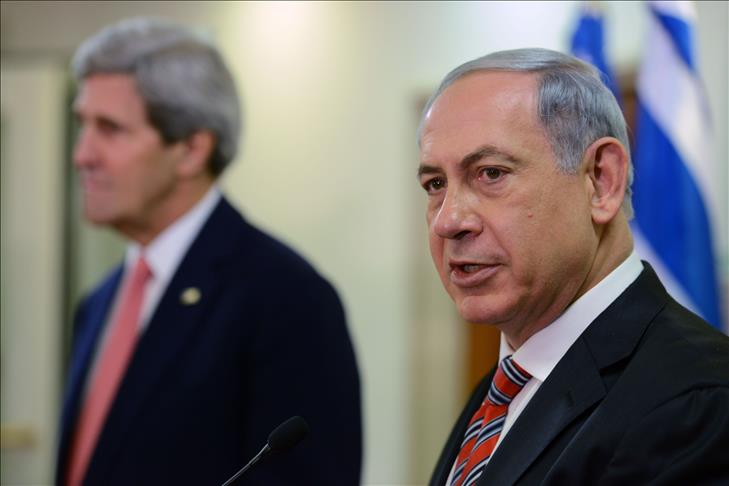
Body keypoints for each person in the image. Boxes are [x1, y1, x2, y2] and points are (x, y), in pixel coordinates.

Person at [55, 18, 361, 486]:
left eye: (110, 129)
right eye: (83, 125)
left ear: (192, 149)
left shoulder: (287, 299)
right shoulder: (97, 303)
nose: (82, 155)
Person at [417, 48, 729, 486]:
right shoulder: (503, 390)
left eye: (491, 173)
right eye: (435, 183)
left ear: (601, 180)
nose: (448, 221)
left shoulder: (696, 404)